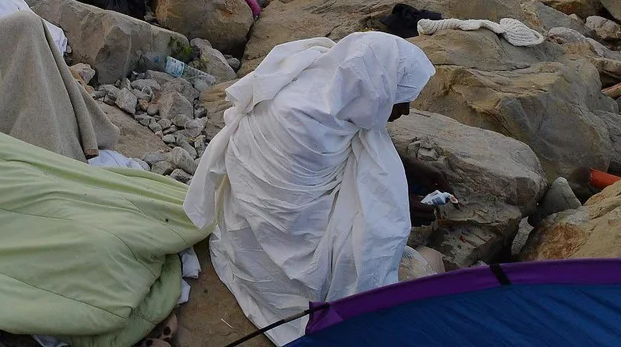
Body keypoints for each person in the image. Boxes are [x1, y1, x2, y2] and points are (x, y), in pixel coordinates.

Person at [184, 32, 435, 344]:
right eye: (403, 99)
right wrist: (397, 206)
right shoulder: (304, 126)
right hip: (275, 240)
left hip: (243, 221)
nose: (406, 110)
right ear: (376, 90)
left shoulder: (320, 81)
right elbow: (303, 210)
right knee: (376, 236)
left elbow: (361, 142)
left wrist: (410, 168)